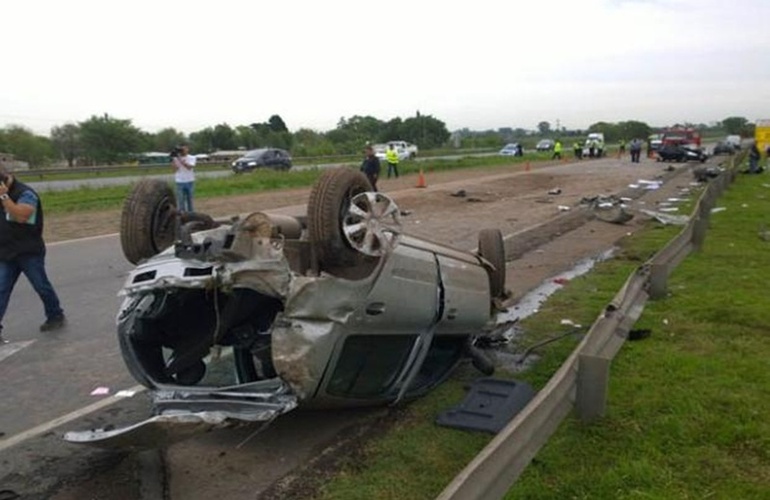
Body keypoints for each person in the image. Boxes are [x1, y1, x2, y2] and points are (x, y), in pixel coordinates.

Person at [0, 166, 65, 343]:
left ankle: (55, 315)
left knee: (41, 285)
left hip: (28, 251)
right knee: (1, 289)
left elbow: (22, 216)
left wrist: (4, 197)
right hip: (6, 252)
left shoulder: (26, 193)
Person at [172, 144, 196, 212]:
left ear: (187, 149)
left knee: (190, 200)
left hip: (189, 180)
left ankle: (191, 213)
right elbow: (174, 169)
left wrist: (180, 159)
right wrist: (173, 160)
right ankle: (182, 213)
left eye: (184, 149)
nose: (183, 151)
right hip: (180, 181)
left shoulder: (192, 157)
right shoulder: (176, 158)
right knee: (180, 200)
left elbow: (189, 167)